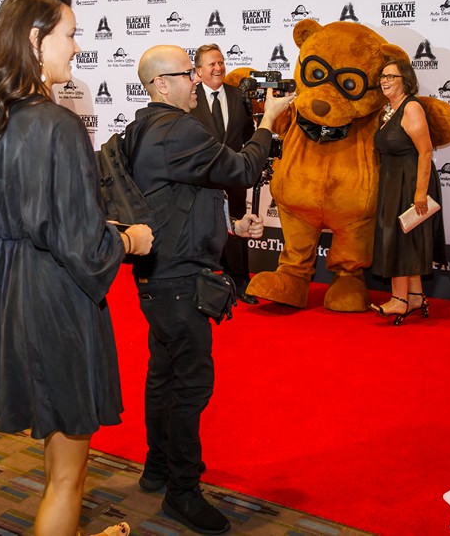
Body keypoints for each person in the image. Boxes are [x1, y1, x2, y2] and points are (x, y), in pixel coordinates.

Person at [0, 0, 152, 536]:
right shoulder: (59, 125)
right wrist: (129, 241)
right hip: (58, 299)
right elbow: (83, 247)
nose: (76, 48)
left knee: (55, 439)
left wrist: (22, 252)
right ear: (36, 40)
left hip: (7, 296)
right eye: (69, 35)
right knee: (69, 473)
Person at [125, 44, 293, 535]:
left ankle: (158, 469)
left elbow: (188, 190)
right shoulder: (176, 129)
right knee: (189, 385)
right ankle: (183, 491)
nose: (197, 80)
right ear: (161, 84)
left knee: (164, 375)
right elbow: (240, 170)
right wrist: (268, 123)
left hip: (160, 272)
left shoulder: (143, 127)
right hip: (179, 279)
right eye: (186, 74)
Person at [369, 59, 445, 324]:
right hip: (393, 182)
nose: (385, 80)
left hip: (411, 182)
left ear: (406, 80)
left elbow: (425, 151)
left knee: (398, 241)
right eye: (382, 76)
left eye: (391, 76)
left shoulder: (411, 107)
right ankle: (414, 296)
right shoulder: (389, 110)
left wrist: (420, 193)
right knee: (404, 240)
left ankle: (398, 300)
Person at [189, 43, 259, 304]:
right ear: (198, 70)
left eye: (221, 62)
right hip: (201, 179)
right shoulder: (189, 98)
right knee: (201, 228)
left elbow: (248, 136)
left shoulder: (238, 96)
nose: (218, 67)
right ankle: (202, 281)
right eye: (212, 64)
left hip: (233, 176)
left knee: (238, 230)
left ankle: (241, 282)